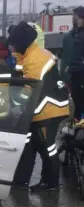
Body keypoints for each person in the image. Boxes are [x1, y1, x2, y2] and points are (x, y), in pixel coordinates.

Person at [9, 21, 70, 191]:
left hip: (49, 110)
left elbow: (29, 91)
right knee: (30, 144)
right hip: (40, 109)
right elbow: (20, 75)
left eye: (13, 44)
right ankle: (21, 181)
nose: (11, 47)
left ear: (21, 43)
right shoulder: (29, 55)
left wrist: (13, 103)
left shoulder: (35, 60)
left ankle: (50, 183)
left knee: (47, 147)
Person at [62, 7, 84, 120]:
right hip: (75, 71)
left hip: (78, 72)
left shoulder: (79, 34)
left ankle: (78, 123)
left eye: (74, 16)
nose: (73, 18)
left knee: (79, 100)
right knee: (77, 99)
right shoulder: (76, 34)